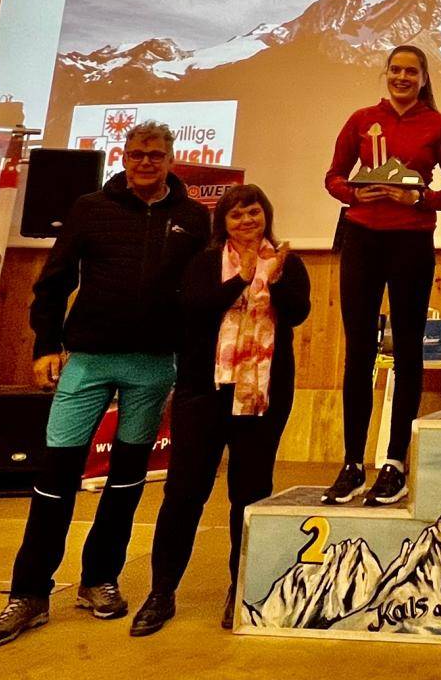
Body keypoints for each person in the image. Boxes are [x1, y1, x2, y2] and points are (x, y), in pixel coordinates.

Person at [0, 122, 209, 649]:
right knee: (53, 477)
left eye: (155, 154)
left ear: (172, 158)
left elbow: (199, 295)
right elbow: (54, 280)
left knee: (126, 484)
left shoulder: (193, 219)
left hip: (152, 366)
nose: (145, 162)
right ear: (123, 158)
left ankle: (99, 580)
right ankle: (29, 594)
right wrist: (44, 346)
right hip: (86, 362)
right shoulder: (89, 208)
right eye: (135, 154)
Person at [130, 184, 311, 636]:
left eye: (254, 212)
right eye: (237, 215)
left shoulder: (289, 262)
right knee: (184, 494)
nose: (247, 220)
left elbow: (297, 314)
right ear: (223, 223)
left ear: (266, 216)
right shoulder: (206, 262)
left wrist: (275, 278)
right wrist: (241, 277)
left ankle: (242, 590)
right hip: (203, 393)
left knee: (248, 495)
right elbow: (195, 309)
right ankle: (161, 593)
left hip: (262, 396)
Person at [321, 45, 441, 505]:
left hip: (411, 242)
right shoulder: (363, 118)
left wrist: (420, 199)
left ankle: (394, 463)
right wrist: (352, 195)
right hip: (363, 240)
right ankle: (351, 464)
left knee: (408, 351)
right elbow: (333, 176)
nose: (402, 77)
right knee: (360, 351)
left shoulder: (439, 126)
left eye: (412, 71)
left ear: (424, 78)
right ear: (386, 74)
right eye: (396, 70)